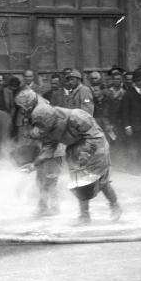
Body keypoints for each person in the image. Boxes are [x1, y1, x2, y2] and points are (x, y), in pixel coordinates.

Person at [18, 93, 121, 225]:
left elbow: (96, 135)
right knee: (80, 182)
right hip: (74, 149)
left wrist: (87, 152)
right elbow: (48, 150)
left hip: (95, 145)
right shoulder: (48, 130)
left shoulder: (77, 115)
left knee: (101, 180)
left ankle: (114, 205)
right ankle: (84, 215)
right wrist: (34, 164)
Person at [14, 88, 63, 216]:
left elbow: (44, 133)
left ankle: (54, 207)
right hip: (45, 148)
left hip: (52, 150)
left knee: (50, 179)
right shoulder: (39, 106)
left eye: (24, 106)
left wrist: (31, 134)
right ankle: (43, 205)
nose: (24, 109)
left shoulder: (41, 111)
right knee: (41, 179)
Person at [121, 71, 141, 173]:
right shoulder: (128, 94)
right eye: (140, 80)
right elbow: (125, 111)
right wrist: (127, 126)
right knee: (133, 147)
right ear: (135, 82)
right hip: (133, 126)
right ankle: (133, 168)